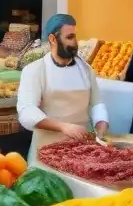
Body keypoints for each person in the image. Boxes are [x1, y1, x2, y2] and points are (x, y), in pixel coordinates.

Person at [17, 13, 109, 163]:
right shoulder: (35, 70)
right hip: (46, 151)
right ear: (53, 39)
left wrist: (101, 124)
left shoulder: (85, 69)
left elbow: (97, 103)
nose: (75, 43)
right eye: (69, 37)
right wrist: (63, 127)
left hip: (81, 151)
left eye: (75, 37)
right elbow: (27, 111)